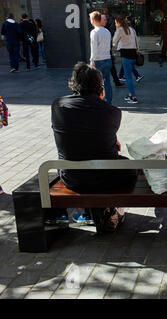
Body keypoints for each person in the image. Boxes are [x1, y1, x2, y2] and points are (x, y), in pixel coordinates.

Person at [51, 62, 138, 225]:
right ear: (101, 87)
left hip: (71, 177)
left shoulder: (58, 105)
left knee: (78, 158)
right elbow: (108, 143)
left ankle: (88, 212)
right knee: (129, 168)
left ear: (74, 85)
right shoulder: (112, 112)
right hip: (105, 178)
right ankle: (113, 209)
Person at [113, 15, 140, 104]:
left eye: (115, 22)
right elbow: (137, 42)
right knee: (129, 76)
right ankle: (130, 95)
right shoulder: (131, 29)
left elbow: (114, 41)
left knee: (128, 78)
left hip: (126, 55)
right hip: (133, 55)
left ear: (118, 22)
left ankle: (133, 97)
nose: (115, 24)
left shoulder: (120, 30)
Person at [89, 11, 113, 105]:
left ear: (94, 20)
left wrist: (92, 60)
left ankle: (98, 101)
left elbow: (94, 48)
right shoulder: (107, 31)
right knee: (107, 82)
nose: (90, 21)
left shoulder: (94, 32)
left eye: (91, 19)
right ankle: (108, 101)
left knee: (96, 83)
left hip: (98, 60)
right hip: (107, 59)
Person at [100, 14, 124, 88]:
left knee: (111, 68)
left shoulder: (106, 30)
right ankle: (115, 81)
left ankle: (116, 81)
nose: (106, 21)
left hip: (107, 52)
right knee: (107, 68)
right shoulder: (97, 31)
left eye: (106, 20)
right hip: (102, 54)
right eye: (104, 20)